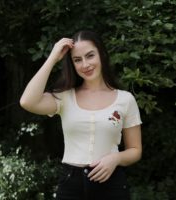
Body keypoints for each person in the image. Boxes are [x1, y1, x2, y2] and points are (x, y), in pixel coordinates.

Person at [20, 30, 142, 200]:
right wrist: (53, 58)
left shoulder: (125, 99)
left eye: (90, 55)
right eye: (77, 60)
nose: (85, 64)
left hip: (111, 184)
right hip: (70, 186)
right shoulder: (64, 97)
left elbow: (135, 150)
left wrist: (116, 159)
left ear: (102, 55)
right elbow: (27, 101)